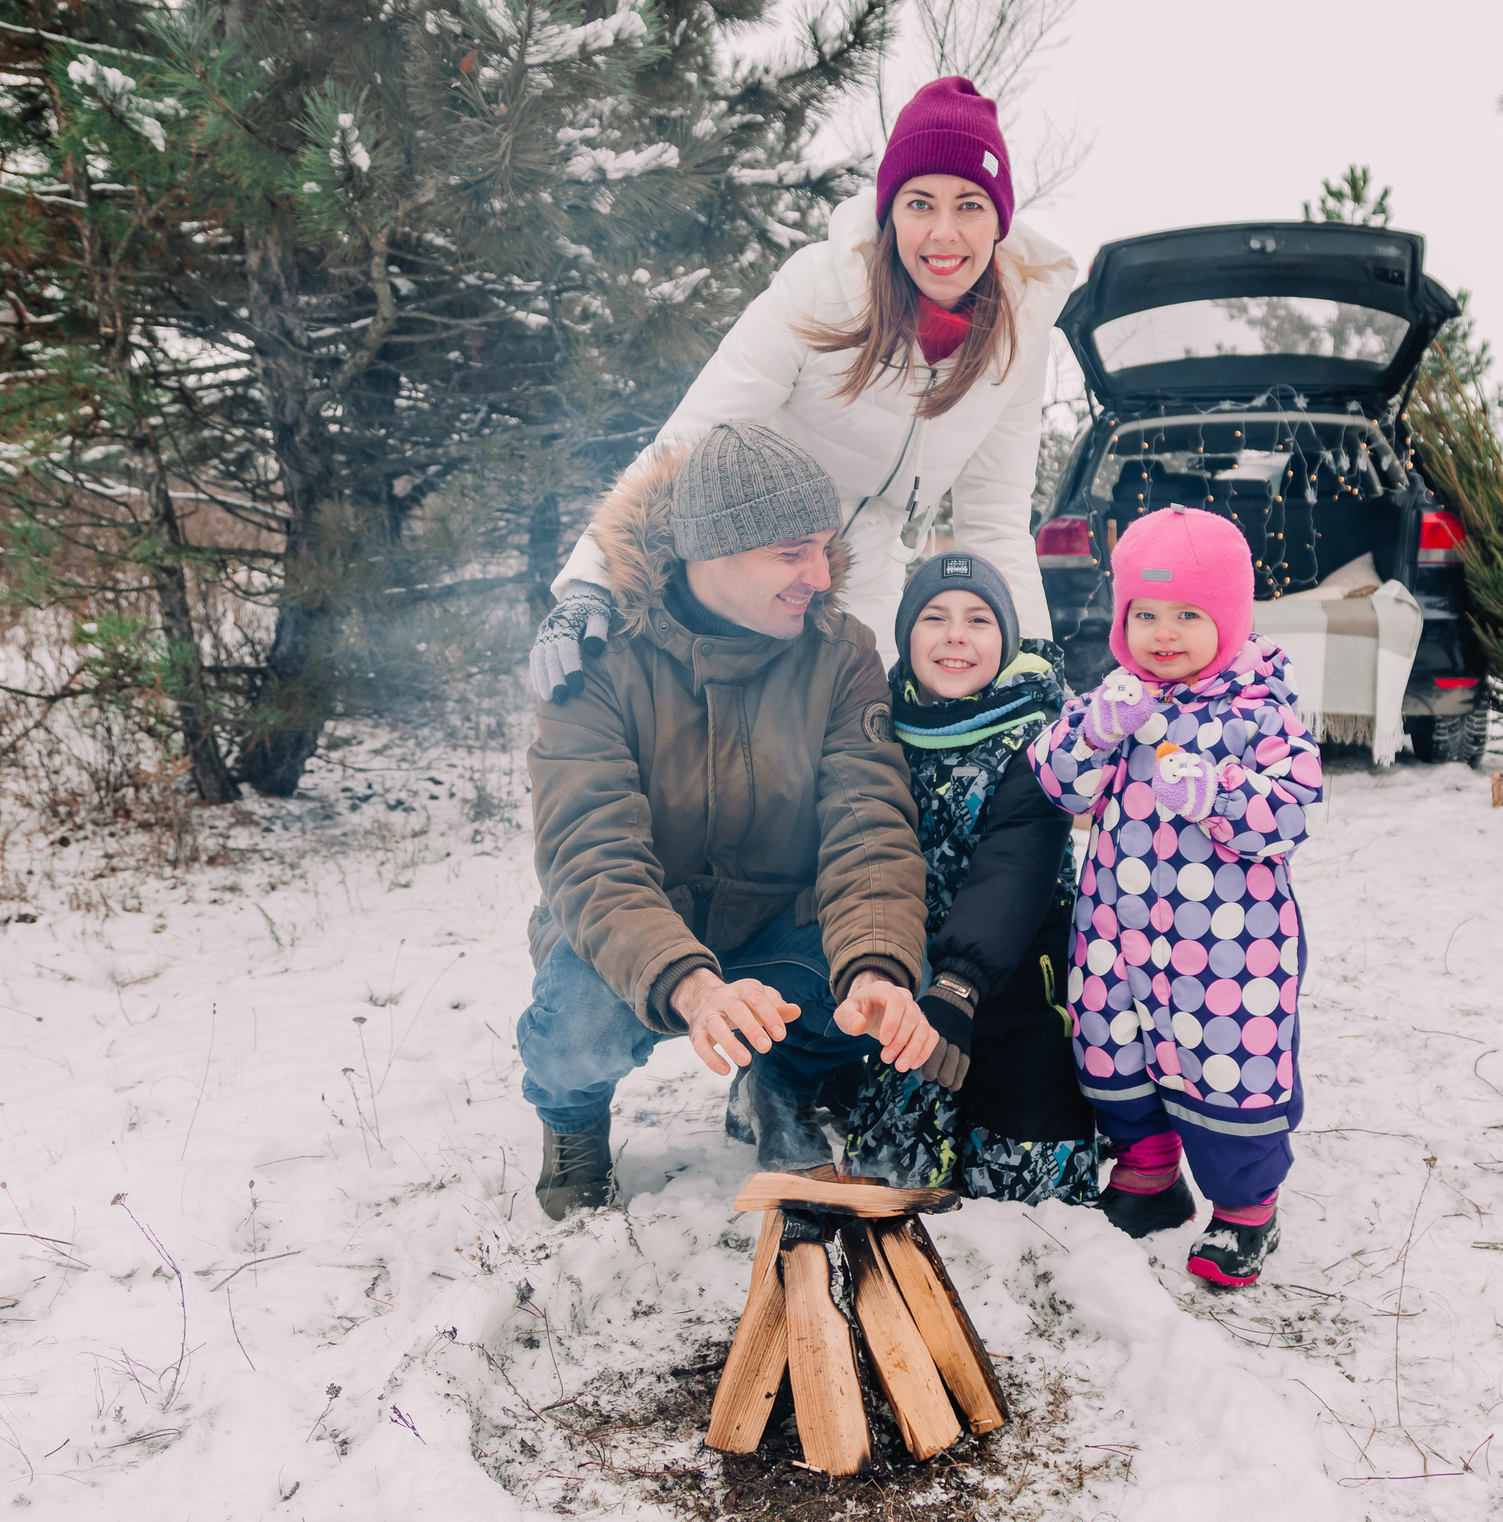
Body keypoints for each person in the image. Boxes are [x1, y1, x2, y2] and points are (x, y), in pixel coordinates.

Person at [517, 423, 951, 1220]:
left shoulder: (840, 654)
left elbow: (867, 830)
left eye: (823, 547)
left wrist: (876, 972)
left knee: (888, 970)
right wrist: (691, 985)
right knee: (577, 1025)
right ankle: (573, 1125)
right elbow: (592, 856)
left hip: (777, 923)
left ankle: (783, 1077)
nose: (820, 576)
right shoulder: (597, 658)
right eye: (792, 554)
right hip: (636, 924)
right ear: (708, 553)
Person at [530, 75, 1079, 700]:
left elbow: (996, 524)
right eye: (920, 203)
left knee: (861, 740)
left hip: (868, 579)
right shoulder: (821, 287)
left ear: (1000, 220)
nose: (944, 232)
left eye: (970, 205)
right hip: (753, 566)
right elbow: (689, 442)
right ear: (890, 213)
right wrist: (592, 582)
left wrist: (1036, 669)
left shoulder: (1017, 335)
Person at [1026, 505, 1325, 1287]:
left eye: (1189, 614)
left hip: (1226, 948)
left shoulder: (1259, 707)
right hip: (1116, 934)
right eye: (1145, 613)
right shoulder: (1120, 698)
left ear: (1230, 616)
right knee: (1110, 1048)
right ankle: (1150, 1173)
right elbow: (1056, 782)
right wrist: (1094, 732)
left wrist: (1221, 794)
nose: (1164, 633)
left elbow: (1293, 809)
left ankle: (1245, 1209)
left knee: (1227, 1067)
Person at [838, 552, 1099, 1205]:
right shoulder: (877, 725)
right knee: (892, 1166)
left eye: (979, 620)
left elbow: (1018, 859)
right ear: (906, 635)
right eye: (935, 617)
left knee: (1025, 1172)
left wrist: (960, 984)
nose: (956, 636)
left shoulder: (1040, 735)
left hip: (1013, 968)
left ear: (1006, 639)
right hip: (909, 966)